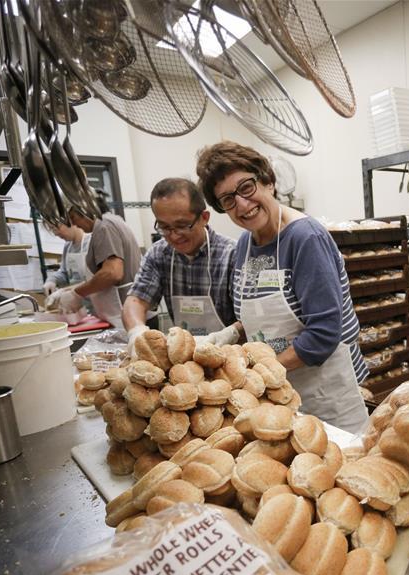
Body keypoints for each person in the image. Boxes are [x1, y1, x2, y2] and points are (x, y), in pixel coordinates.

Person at [195, 141, 370, 434]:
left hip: (326, 394)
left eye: (246, 187)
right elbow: (260, 314)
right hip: (279, 397)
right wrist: (231, 333)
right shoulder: (246, 244)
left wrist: (262, 373)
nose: (242, 204)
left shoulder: (305, 238)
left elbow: (324, 334)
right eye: (227, 199)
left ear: (268, 182)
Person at [123, 178, 236, 348]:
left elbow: (250, 318)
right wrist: (136, 331)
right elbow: (136, 301)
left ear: (204, 218)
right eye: (165, 227)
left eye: (182, 225)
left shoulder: (231, 254)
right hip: (182, 357)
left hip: (228, 355)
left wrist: (231, 334)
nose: (174, 236)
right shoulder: (158, 254)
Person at [57, 192, 144, 330]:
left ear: (84, 209)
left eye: (73, 217)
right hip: (131, 312)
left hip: (127, 315)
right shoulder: (113, 220)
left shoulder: (104, 226)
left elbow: (112, 273)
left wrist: (77, 293)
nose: (73, 224)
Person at [42, 219, 91, 311]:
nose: (55, 233)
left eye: (55, 227)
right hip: (76, 304)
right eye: (52, 229)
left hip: (94, 303)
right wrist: (52, 280)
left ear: (70, 221)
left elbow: (95, 279)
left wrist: (63, 291)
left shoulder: (91, 242)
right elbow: (64, 272)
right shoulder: (68, 246)